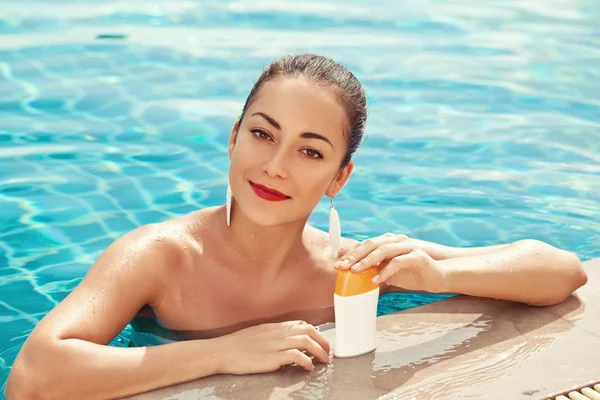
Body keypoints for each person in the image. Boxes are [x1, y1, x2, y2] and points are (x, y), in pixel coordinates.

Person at [5, 53, 587, 400]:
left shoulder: (349, 264)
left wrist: (439, 272)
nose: (275, 165)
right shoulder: (161, 256)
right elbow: (32, 378)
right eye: (262, 133)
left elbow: (558, 271)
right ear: (233, 137)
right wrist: (223, 353)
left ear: (339, 177)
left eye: (310, 152)